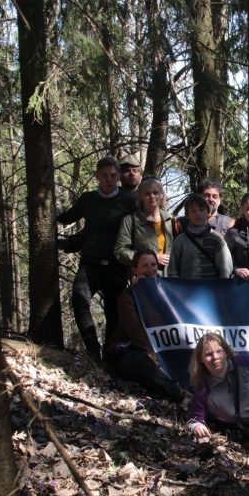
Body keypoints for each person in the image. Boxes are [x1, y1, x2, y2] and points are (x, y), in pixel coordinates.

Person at [57, 156, 135, 363]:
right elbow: (66, 217)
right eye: (104, 175)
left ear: (118, 176)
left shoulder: (129, 201)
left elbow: (143, 227)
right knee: (79, 299)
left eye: (113, 175)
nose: (109, 179)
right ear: (97, 176)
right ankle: (93, 349)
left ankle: (109, 358)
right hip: (90, 262)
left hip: (116, 266)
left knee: (114, 314)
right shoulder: (88, 199)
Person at [103, 250, 188, 401]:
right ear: (135, 270)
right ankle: (180, 396)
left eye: (153, 265)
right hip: (130, 350)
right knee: (144, 365)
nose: (150, 270)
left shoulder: (166, 292)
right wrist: (153, 354)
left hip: (163, 347)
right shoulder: (128, 296)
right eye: (145, 266)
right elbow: (134, 329)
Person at [114, 177, 176, 273]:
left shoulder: (171, 220)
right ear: (141, 196)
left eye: (155, 193)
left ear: (161, 195)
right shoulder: (130, 221)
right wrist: (152, 258)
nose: (152, 196)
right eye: (147, 193)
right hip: (143, 278)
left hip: (169, 279)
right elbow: (120, 252)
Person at [168, 194, 234, 279]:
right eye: (193, 211)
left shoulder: (217, 239)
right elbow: (173, 270)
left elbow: (225, 270)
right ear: (187, 215)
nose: (198, 214)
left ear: (208, 212)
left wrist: (220, 288)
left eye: (201, 210)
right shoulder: (180, 241)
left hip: (211, 290)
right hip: (186, 290)